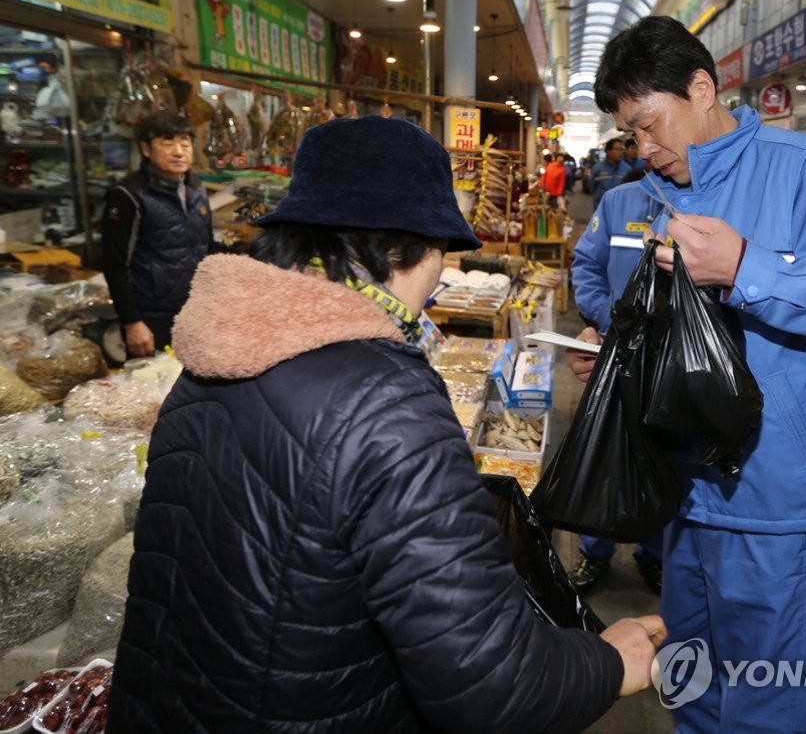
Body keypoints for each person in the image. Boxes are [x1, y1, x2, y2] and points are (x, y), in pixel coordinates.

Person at [107, 114, 665, 733]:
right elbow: (488, 682)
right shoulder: (387, 403)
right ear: (407, 248)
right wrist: (609, 662)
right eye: (441, 252)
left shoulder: (209, 359)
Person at [567, 16, 806, 732]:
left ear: (701, 89)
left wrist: (745, 268)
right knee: (691, 684)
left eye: (648, 125)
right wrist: (616, 351)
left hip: (779, 500)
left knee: (765, 702)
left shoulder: (805, 170)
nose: (642, 149)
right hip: (687, 490)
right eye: (629, 135)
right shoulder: (652, 193)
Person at [569, 179, 667, 595]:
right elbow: (587, 265)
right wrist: (609, 317)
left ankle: (655, 554)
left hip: (673, 365)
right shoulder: (618, 202)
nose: (648, 149)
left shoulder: (711, 201)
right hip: (616, 351)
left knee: (663, 460)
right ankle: (594, 550)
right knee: (603, 452)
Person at [101, 109, 214, 358]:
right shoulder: (128, 194)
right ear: (146, 149)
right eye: (168, 143)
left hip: (195, 308)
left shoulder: (196, 187)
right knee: (155, 379)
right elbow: (115, 264)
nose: (179, 151)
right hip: (152, 315)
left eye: (185, 143)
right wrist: (132, 322)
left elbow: (207, 246)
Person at [590, 137, 629, 207]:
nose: (620, 152)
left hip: (620, 206)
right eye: (617, 149)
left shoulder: (627, 169)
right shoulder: (597, 168)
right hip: (602, 206)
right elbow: (592, 188)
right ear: (608, 151)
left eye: (622, 149)